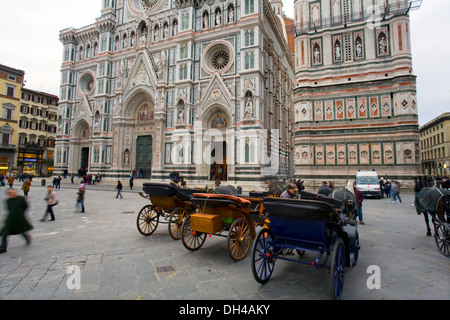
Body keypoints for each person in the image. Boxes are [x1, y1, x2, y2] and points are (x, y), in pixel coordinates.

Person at [0, 188, 33, 253]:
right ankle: (3, 248)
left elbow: (25, 206)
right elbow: (9, 209)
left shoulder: (21, 199)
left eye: (13, 192)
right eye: (10, 193)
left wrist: (21, 213)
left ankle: (27, 238)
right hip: (10, 220)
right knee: (5, 233)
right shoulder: (8, 201)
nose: (12, 194)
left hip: (19, 219)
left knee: (21, 231)